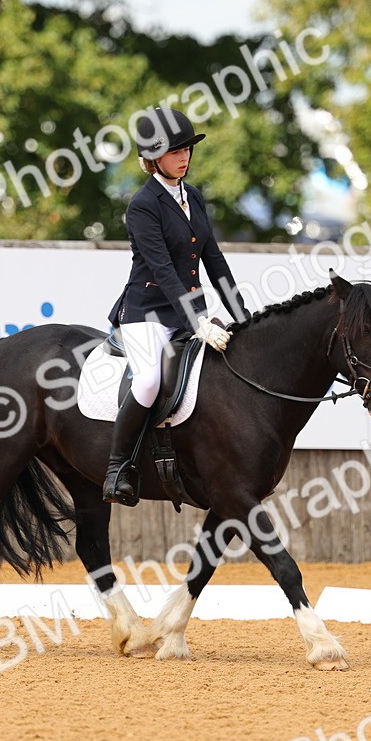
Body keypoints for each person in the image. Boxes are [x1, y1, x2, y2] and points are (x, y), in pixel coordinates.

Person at [103, 107, 251, 505]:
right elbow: (165, 271)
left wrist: (243, 317)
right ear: (153, 158)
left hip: (186, 313)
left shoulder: (194, 197)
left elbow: (214, 260)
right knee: (149, 380)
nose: (183, 156)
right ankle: (118, 468)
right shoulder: (142, 205)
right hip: (146, 314)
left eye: (186, 148)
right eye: (173, 151)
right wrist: (199, 321)